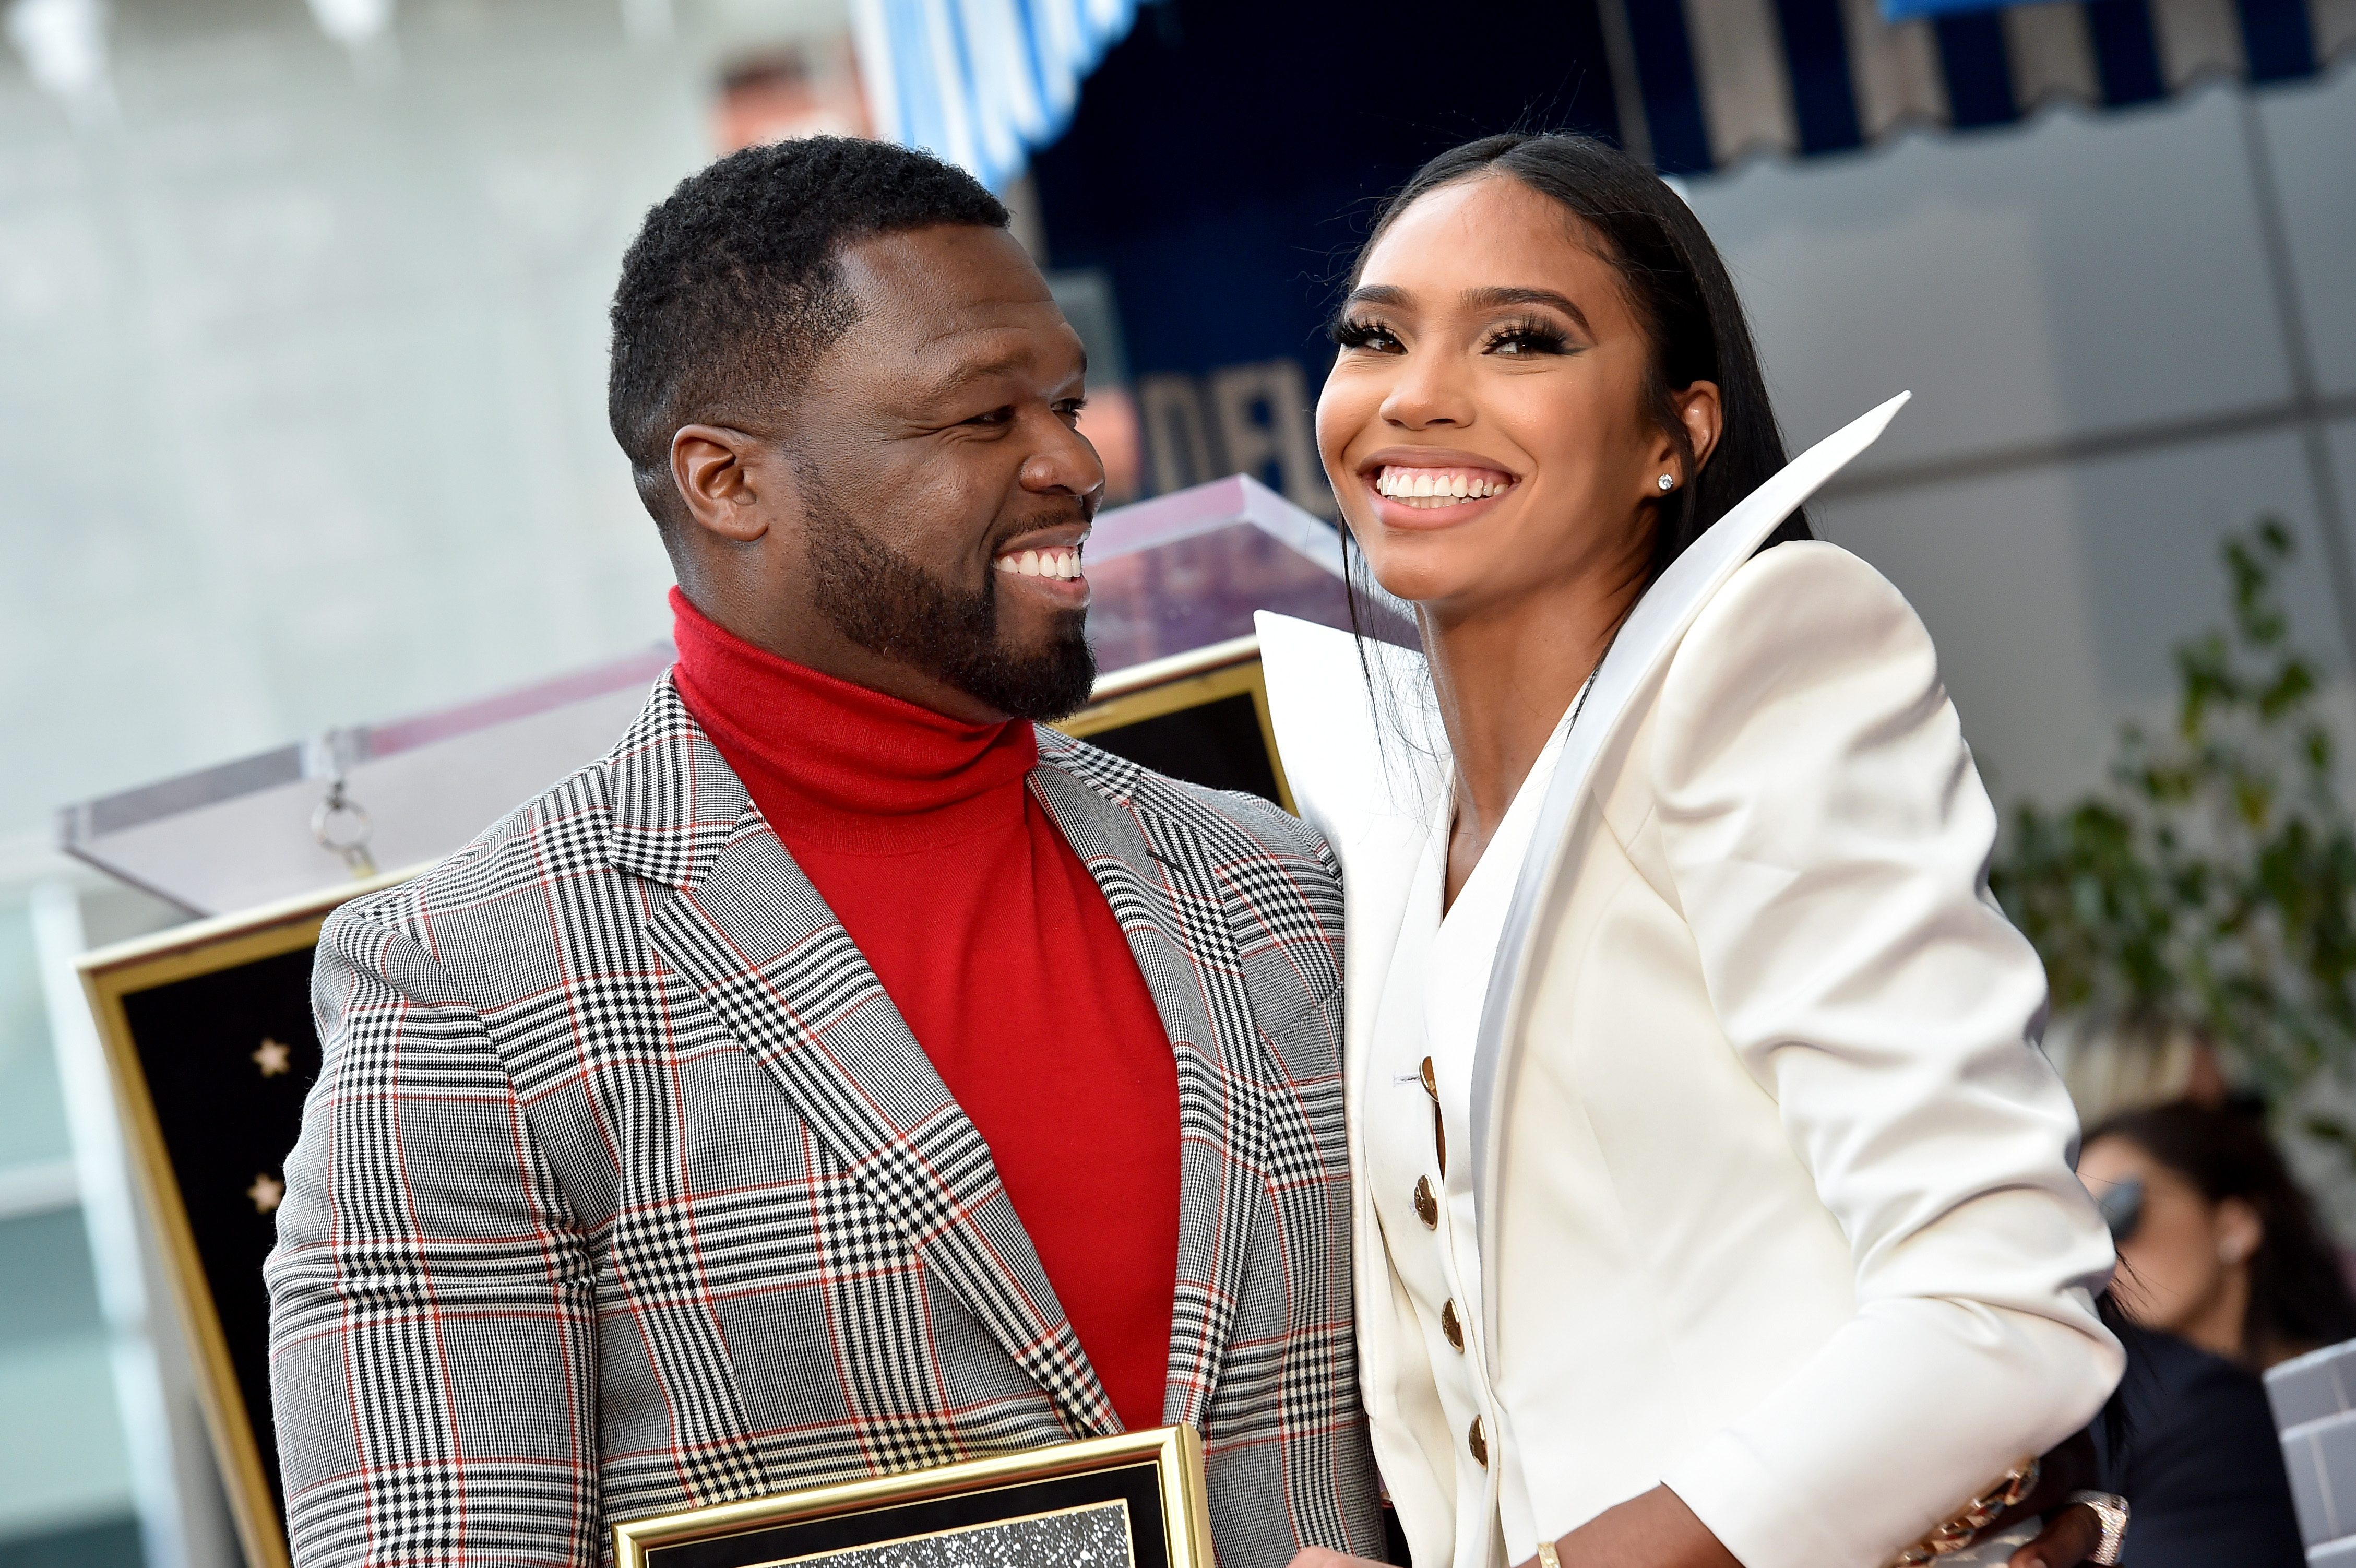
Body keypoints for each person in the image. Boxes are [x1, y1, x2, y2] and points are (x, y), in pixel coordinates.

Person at [262, 136, 1386, 1568]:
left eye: (1067, 402)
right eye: (983, 417)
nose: (1076, 462)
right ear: (727, 482)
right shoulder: (471, 987)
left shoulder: (1278, 890)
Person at [1258, 133, 2128, 1568]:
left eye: (1519, 338)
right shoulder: (1393, 838)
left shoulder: (1762, 655)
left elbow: (2001, 1301)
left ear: (1678, 432)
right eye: (1375, 335)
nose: (1416, 395)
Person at [2077, 1100, 2356, 1565]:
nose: (2106, 1256)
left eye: (2120, 1213)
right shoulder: (2146, 1437)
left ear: (2235, 1223)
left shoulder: (2333, 1386)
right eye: (2081, 1234)